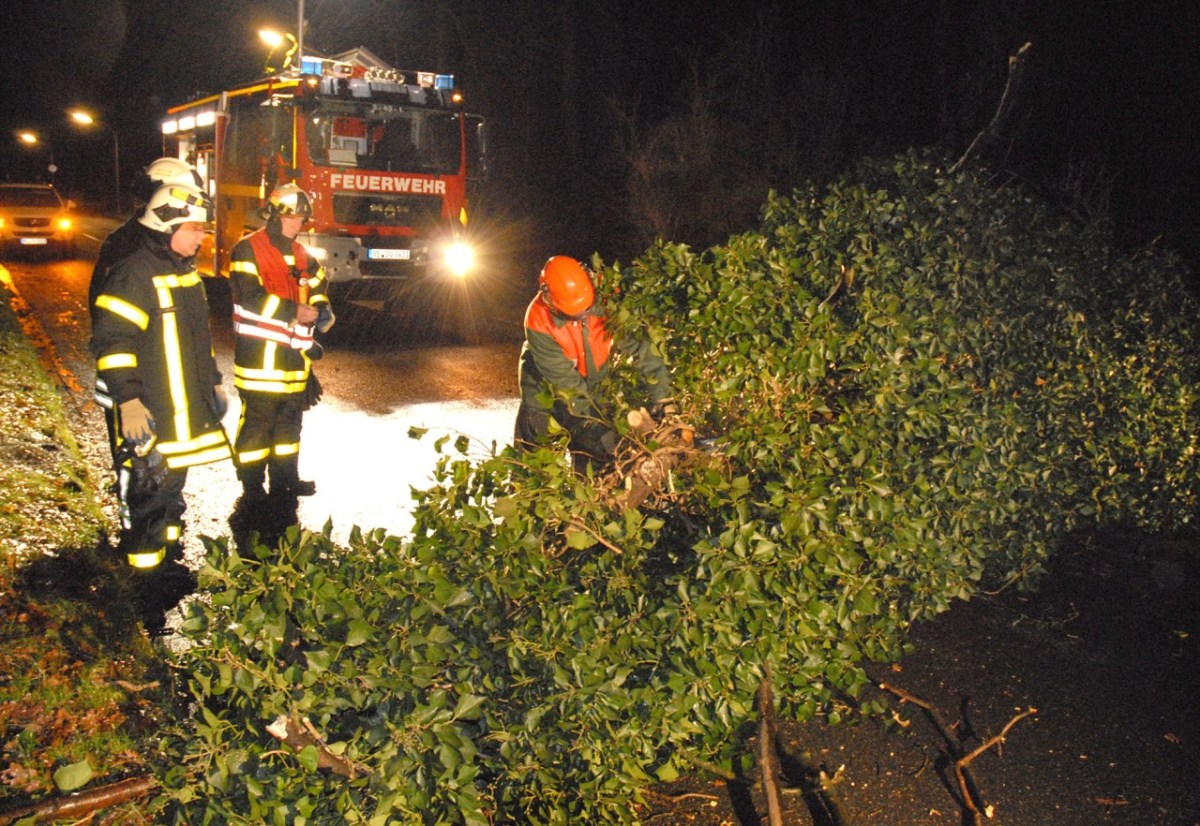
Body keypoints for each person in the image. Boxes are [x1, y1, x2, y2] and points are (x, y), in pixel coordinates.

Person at [89, 181, 232, 635]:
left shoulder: (183, 272)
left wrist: (212, 383)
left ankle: (167, 572)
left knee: (170, 501)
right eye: (194, 228)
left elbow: (195, 341)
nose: (201, 237)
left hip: (181, 414)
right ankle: (143, 600)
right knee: (147, 507)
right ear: (168, 223)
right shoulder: (134, 272)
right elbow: (112, 343)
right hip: (149, 416)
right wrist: (127, 401)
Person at [90, 157, 205, 463]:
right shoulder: (132, 251)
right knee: (138, 465)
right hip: (132, 382)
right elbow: (114, 331)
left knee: (162, 468)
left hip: (152, 379)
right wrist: (128, 397)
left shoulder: (159, 246)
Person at [514, 255, 675, 471]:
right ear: (549, 300)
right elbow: (569, 388)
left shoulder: (609, 302)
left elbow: (643, 349)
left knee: (595, 464)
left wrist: (662, 398)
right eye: (574, 314)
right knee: (537, 462)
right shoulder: (537, 320)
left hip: (593, 385)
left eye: (585, 310)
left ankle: (589, 497)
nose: (582, 315)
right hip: (545, 391)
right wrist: (602, 434)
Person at [229, 183, 334, 502]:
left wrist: (323, 309)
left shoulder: (303, 255)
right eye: (294, 218)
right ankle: (251, 486)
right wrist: (293, 310)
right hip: (259, 362)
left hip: (293, 362)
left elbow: (316, 288)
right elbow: (249, 296)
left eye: (302, 219)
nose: (299, 225)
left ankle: (286, 480)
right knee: (257, 428)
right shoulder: (247, 249)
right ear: (274, 216)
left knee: (289, 429)